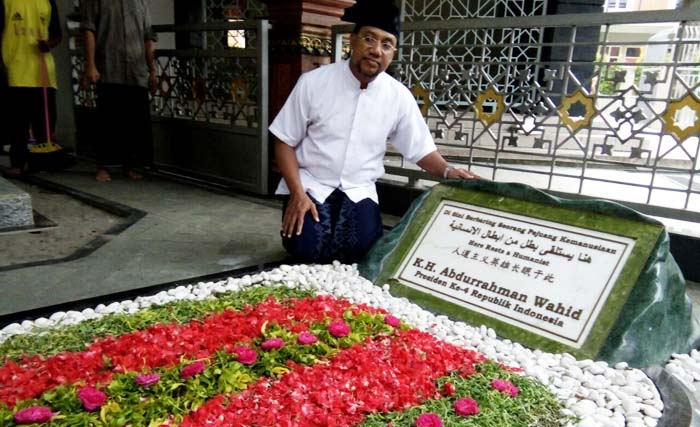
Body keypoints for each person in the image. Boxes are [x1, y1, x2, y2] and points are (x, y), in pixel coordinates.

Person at [271, 0, 479, 264]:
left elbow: (420, 148)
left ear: (392, 53)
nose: (376, 50)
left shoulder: (398, 96)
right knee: (304, 247)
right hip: (312, 183)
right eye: (369, 39)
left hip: (359, 189)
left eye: (386, 44)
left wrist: (448, 171)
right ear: (353, 40)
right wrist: (297, 194)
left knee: (363, 253)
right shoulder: (313, 83)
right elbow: (284, 141)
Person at [80, 0, 157, 182]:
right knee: (107, 120)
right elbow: (88, 30)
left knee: (134, 121)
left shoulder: (140, 2)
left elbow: (149, 37)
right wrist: (90, 65)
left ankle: (130, 165)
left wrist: (152, 71)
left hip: (135, 70)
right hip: (108, 67)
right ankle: (103, 166)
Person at [0, 0, 62, 178]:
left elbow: (57, 35)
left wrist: (48, 44)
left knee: (45, 122)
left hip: (43, 72)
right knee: (17, 124)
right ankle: (18, 163)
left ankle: (42, 162)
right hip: (15, 70)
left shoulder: (48, 2)